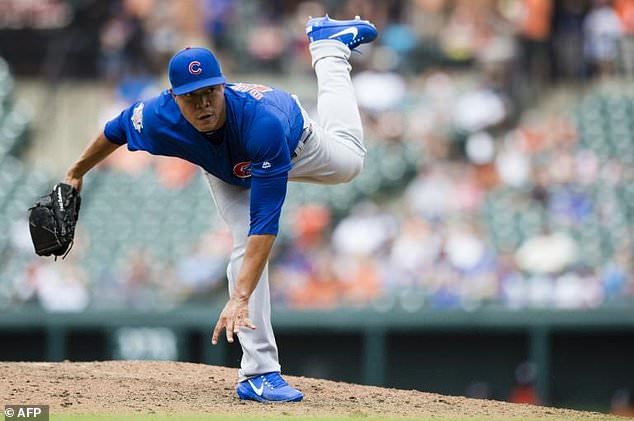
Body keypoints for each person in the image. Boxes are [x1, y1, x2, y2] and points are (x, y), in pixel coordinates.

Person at [63, 15, 378, 402]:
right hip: (225, 169)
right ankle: (259, 374)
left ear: (222, 86)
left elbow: (266, 222)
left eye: (210, 91)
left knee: (351, 164)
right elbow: (114, 131)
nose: (203, 103)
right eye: (192, 96)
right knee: (243, 245)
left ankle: (328, 50)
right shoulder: (158, 118)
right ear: (174, 98)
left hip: (292, 145)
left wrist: (240, 297)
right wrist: (75, 173)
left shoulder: (263, 124)